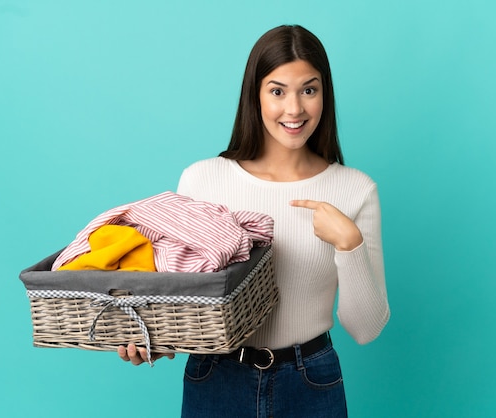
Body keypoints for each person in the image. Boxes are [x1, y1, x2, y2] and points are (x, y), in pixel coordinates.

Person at [117, 24, 390, 417]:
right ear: (255, 95)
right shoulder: (202, 179)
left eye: (308, 90)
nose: (294, 109)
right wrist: (153, 341)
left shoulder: (355, 190)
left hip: (310, 380)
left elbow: (366, 329)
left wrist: (349, 243)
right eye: (277, 91)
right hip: (216, 376)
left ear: (324, 96)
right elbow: (183, 295)